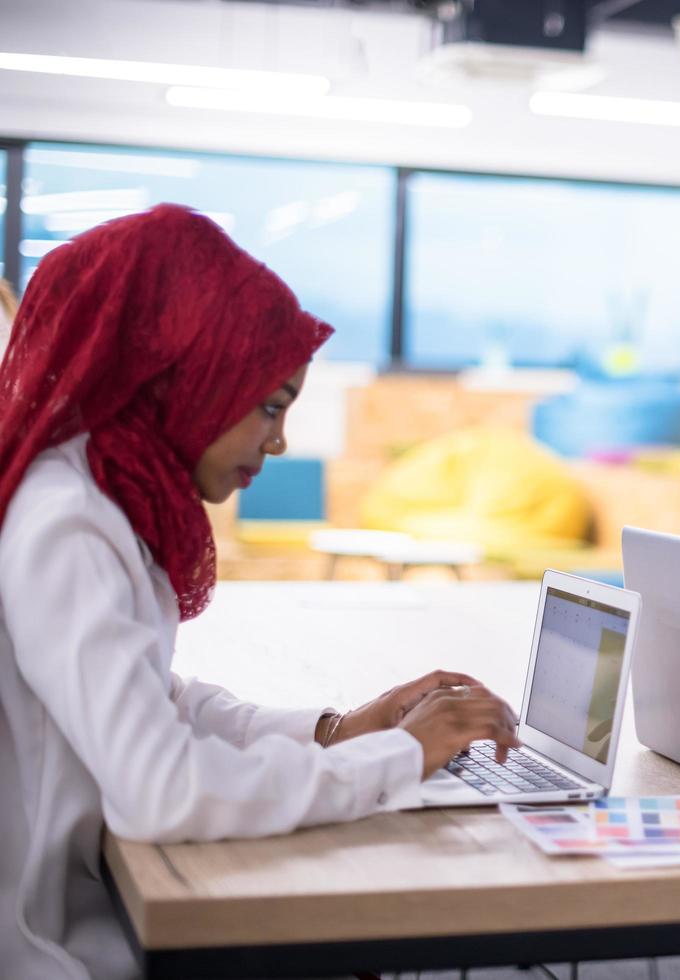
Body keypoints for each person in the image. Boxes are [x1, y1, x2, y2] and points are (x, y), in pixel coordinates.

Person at [0, 205, 521, 980]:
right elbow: (162, 790)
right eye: (270, 405)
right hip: (55, 949)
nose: (278, 441)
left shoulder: (106, 489)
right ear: (180, 370)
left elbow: (156, 699)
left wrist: (337, 731)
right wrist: (398, 756)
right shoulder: (70, 520)